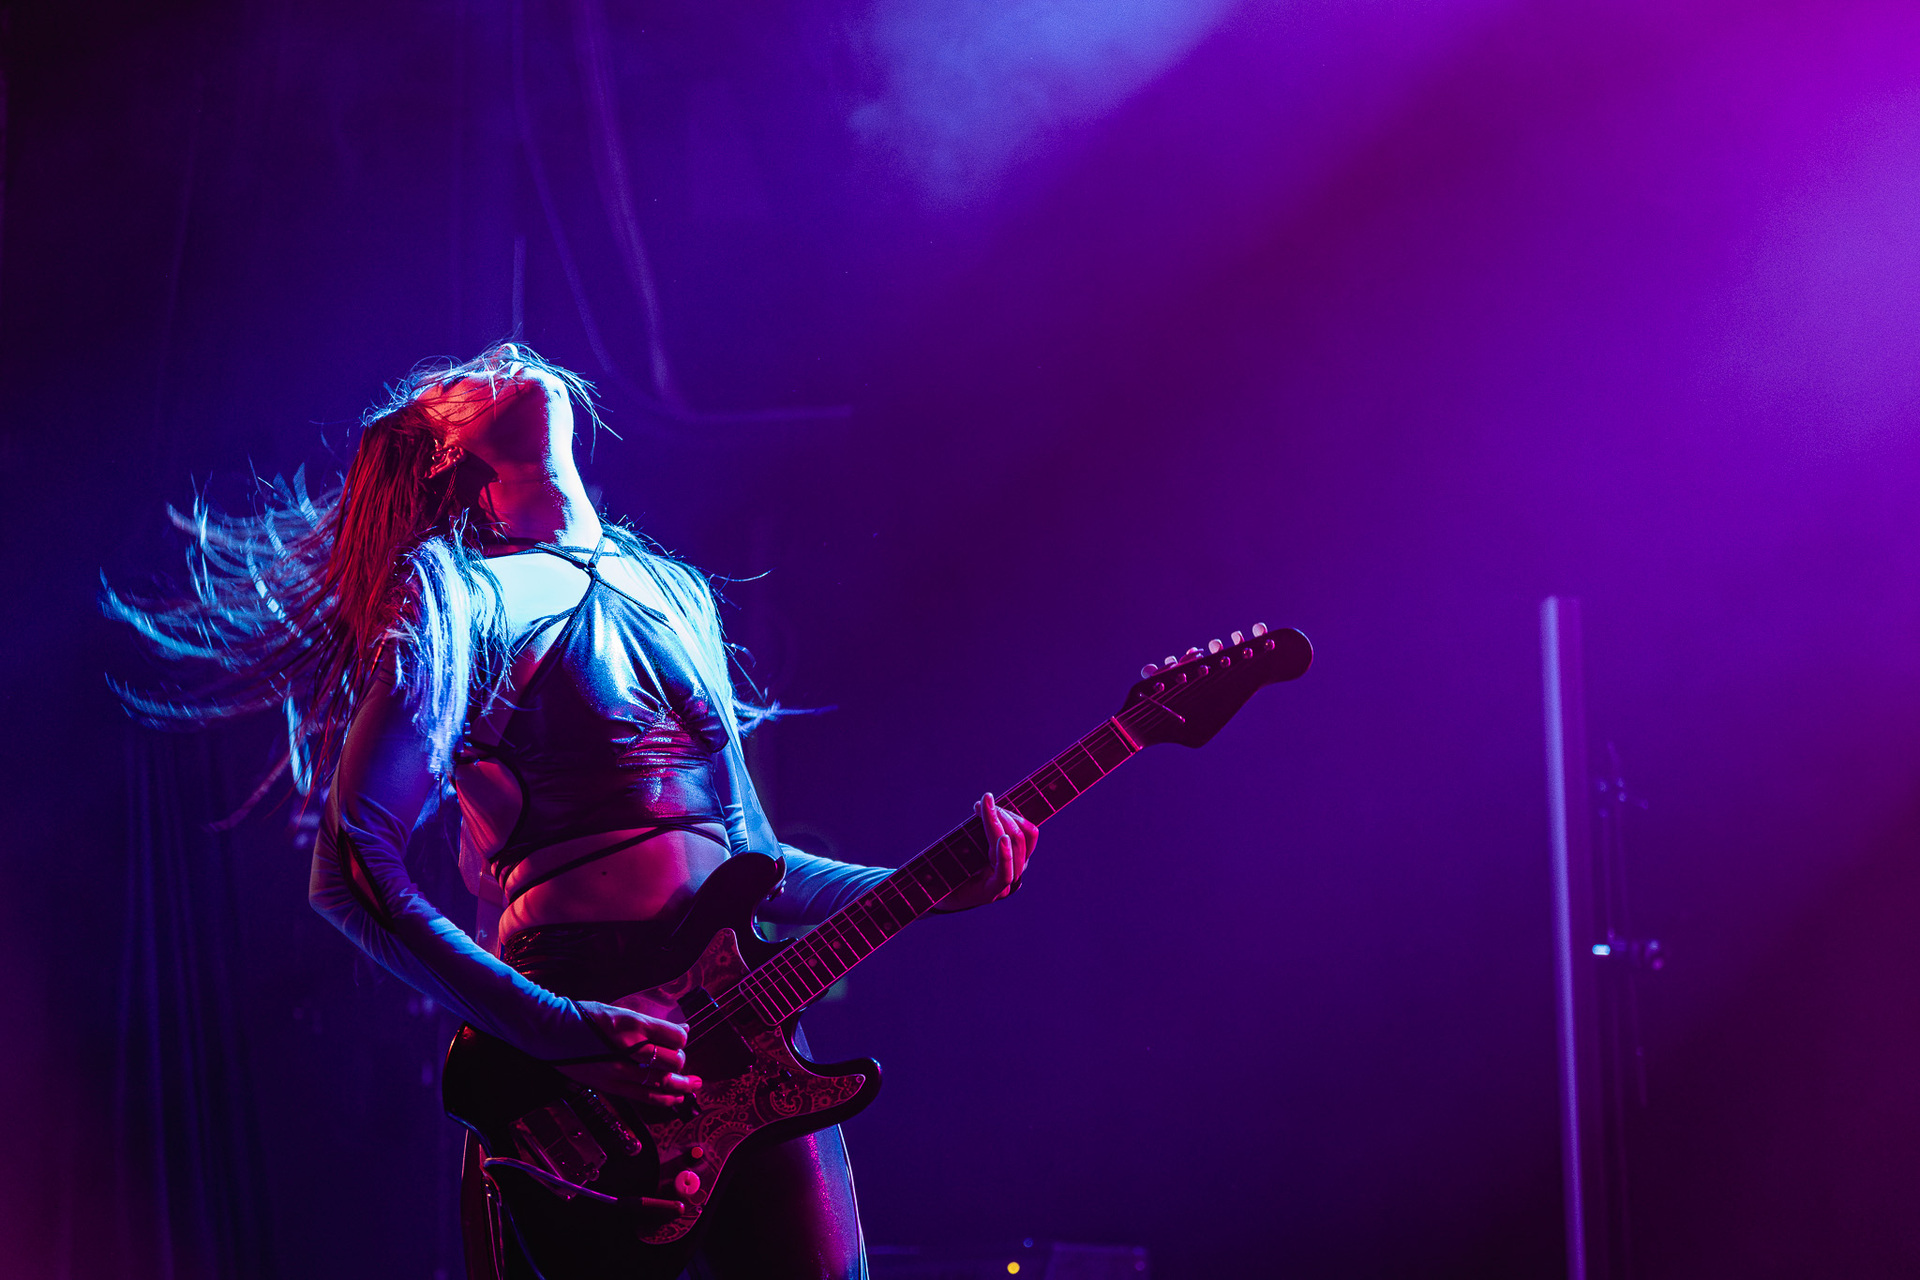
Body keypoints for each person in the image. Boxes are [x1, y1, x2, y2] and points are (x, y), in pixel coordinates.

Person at [108, 343, 1038, 1279]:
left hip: (743, 1029)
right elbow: (350, 869)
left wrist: (930, 884)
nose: (504, 358)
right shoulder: (456, 599)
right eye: (461, 378)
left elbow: (756, 859)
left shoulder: (674, 592)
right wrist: (558, 1029)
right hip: (573, 1049)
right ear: (447, 451)